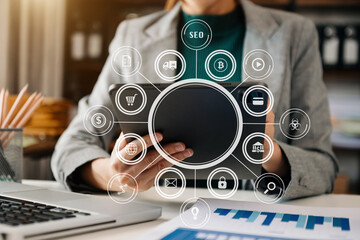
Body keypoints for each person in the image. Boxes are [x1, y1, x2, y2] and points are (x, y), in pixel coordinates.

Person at [51, 0, 338, 199]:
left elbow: (323, 167)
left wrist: (269, 154)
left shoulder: (294, 34)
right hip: (157, 211)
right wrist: (113, 176)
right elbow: (72, 146)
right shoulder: (133, 36)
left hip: (255, 214)